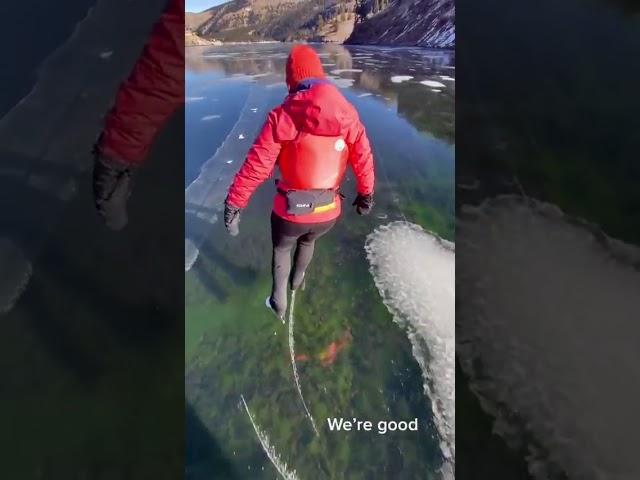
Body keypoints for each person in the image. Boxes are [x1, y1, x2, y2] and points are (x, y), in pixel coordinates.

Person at [224, 45, 375, 320]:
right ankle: (298, 283)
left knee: (282, 249)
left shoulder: (282, 116)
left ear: (291, 79)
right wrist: (366, 195)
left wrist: (234, 203)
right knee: (308, 242)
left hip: (289, 213)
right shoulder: (349, 115)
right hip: (328, 212)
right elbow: (363, 157)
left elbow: (257, 166)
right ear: (320, 75)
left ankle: (278, 302)